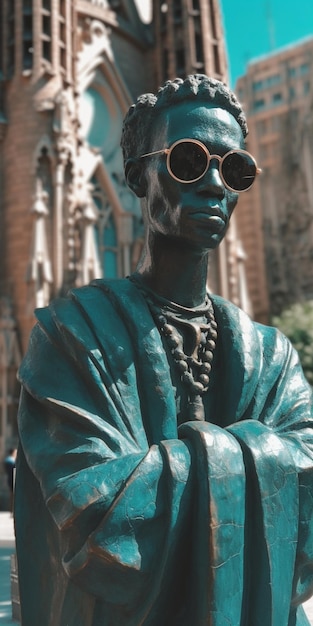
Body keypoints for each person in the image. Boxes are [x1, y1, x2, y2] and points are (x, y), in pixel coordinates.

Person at [14, 75, 313, 626]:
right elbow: (94, 517)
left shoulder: (272, 356)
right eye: (189, 161)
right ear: (137, 175)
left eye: (235, 169)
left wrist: (170, 471)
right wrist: (247, 457)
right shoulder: (72, 337)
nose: (215, 185)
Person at [4, 447, 17, 511]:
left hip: (10, 479)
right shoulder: (11, 461)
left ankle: (11, 510)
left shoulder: (8, 460)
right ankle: (12, 510)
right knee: (13, 496)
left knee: (12, 495)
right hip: (13, 479)